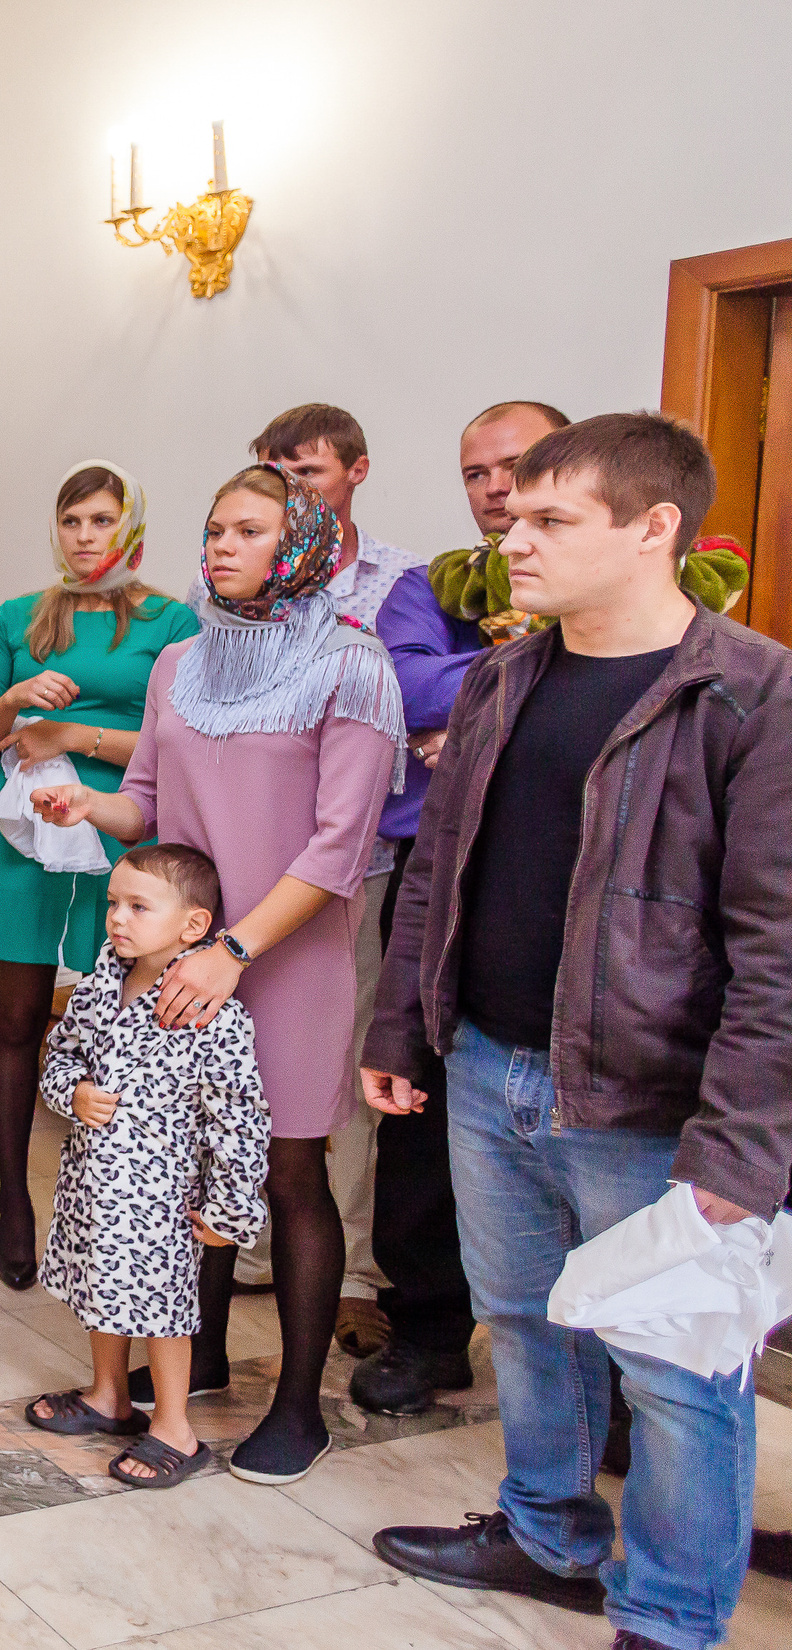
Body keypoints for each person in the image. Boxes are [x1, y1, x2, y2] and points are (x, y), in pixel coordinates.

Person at [363, 413, 792, 1650]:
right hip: (490, 1062)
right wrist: (405, 1026)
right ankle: (546, 1535)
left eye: (552, 521)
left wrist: (739, 1149)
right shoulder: (506, 675)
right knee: (525, 1325)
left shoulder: (751, 696)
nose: (513, 540)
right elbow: (438, 871)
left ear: (654, 529)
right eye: (513, 517)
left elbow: (776, 950)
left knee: (673, 1372)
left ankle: (666, 1615)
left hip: (650, 1103)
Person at [33, 462, 403, 1484]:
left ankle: (294, 1406)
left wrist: (233, 952)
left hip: (282, 959)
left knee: (285, 1173)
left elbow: (338, 848)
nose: (221, 546)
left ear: (302, 547)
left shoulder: (351, 666)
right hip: (179, 957)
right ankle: (181, 1368)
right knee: (185, 1157)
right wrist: (83, 806)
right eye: (214, 530)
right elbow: (144, 800)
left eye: (248, 530)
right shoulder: (179, 667)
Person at [346, 399, 569, 1417]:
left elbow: (462, 694)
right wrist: (516, 673)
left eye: (513, 465)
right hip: (434, 890)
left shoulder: (608, 586)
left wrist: (469, 698)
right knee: (416, 1116)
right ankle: (428, 1329)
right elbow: (400, 686)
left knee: (574, 1135)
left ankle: (586, 1372)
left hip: (566, 897)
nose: (491, 487)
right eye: (475, 470)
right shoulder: (429, 584)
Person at [0, 460, 200, 1290]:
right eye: (72, 522)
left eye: (102, 520)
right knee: (16, 1017)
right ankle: (14, 1198)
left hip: (124, 838)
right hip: (22, 838)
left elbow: (182, 745)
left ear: (131, 525)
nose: (86, 537)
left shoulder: (173, 620)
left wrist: (72, 736)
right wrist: (18, 696)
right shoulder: (17, 617)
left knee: (120, 1027)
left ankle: (111, 1200)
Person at [248, 402, 420, 1354]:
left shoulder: (398, 584)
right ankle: (254, 1237)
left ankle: (347, 1264)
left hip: (355, 863)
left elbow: (415, 693)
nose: (289, 485)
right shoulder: (230, 586)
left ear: (355, 471)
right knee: (243, 1059)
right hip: (247, 867)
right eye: (273, 469)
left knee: (336, 1066)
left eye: (306, 470)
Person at [21, 843, 269, 1490]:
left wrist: (229, 1210)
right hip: (91, 1184)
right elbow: (62, 1056)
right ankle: (108, 1396)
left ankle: (174, 1430)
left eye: (138, 906)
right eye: (112, 904)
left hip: (159, 1201)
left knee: (161, 1313)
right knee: (98, 1291)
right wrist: (70, 1094)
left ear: (194, 925)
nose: (118, 919)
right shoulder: (100, 985)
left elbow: (238, 1117)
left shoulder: (214, 1015)